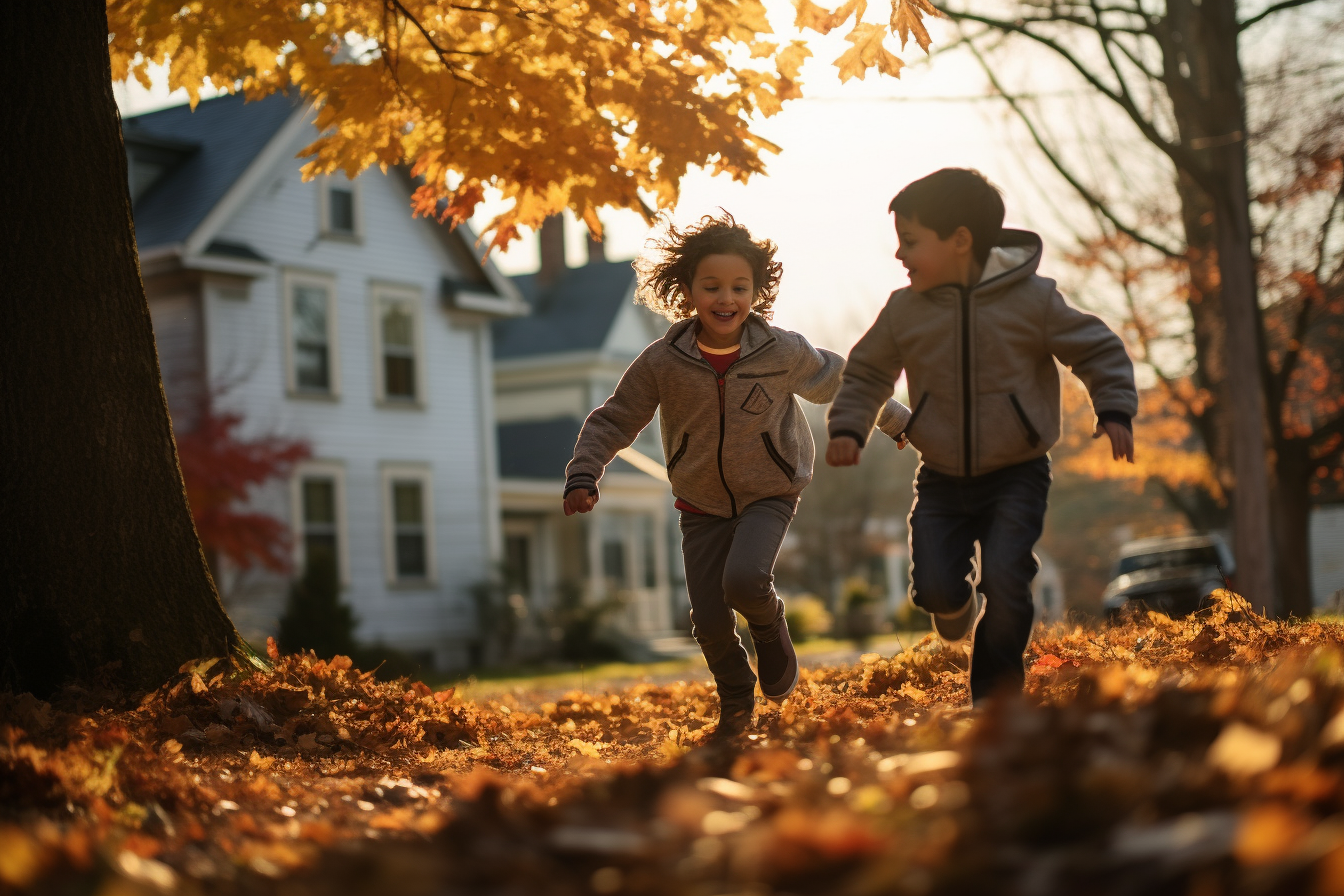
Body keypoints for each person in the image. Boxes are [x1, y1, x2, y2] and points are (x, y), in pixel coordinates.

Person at [563, 213, 910, 736]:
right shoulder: (663, 360)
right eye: (712, 286)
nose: (726, 298)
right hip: (699, 501)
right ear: (687, 290)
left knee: (746, 581)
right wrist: (584, 473)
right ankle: (735, 699)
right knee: (706, 620)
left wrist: (897, 420)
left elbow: (843, 380)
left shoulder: (781, 352)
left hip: (770, 490)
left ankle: (770, 628)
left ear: (756, 291)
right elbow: (615, 416)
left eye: (739, 287)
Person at [826, 168, 1138, 705]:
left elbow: (1096, 348)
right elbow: (869, 372)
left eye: (912, 242)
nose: (900, 256)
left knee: (1008, 581)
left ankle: (995, 701)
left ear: (961, 240)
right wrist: (849, 426)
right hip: (942, 478)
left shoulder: (1033, 301)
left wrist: (1113, 405)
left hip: (1017, 473)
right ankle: (952, 606)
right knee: (935, 588)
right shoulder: (906, 311)